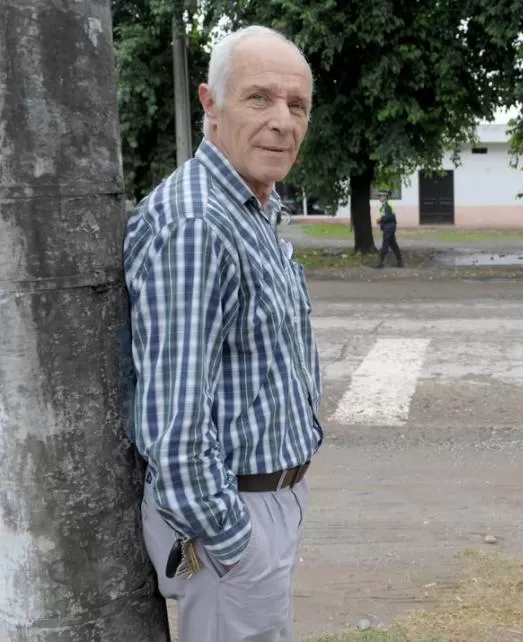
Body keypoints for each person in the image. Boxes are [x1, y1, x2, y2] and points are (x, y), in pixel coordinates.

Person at [123, 25, 323, 642]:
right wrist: (234, 542)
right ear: (211, 104)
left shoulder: (250, 208)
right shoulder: (199, 224)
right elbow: (174, 427)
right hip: (233, 518)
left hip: (264, 501)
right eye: (259, 98)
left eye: (297, 105)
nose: (282, 122)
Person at [375, 190, 404, 268]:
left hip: (389, 227)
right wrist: (382, 221)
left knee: (385, 244)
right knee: (393, 244)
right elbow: (388, 216)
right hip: (388, 227)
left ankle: (380, 263)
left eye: (380, 196)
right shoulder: (385, 205)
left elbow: (390, 217)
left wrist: (380, 219)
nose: (379, 198)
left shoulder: (387, 204)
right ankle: (400, 261)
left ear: (385, 197)